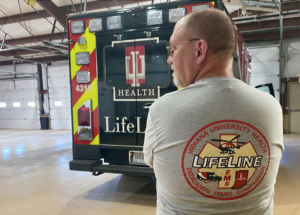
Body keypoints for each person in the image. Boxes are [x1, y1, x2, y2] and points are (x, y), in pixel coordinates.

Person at [143, 8, 284, 215]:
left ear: (199, 50)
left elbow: (158, 167)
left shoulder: (162, 110)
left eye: (173, 49)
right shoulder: (271, 107)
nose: (169, 59)